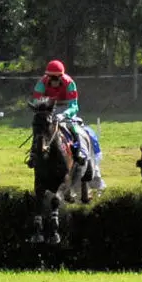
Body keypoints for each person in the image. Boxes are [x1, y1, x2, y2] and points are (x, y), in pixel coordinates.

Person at [31, 59, 104, 190]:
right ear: (47, 76)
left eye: (56, 77)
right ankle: (33, 155)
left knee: (75, 128)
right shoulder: (41, 84)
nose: (53, 80)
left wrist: (64, 115)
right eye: (51, 77)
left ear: (61, 76)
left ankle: (81, 153)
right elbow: (37, 102)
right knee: (40, 129)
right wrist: (45, 113)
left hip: (66, 110)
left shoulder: (69, 83)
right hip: (48, 110)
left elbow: (74, 106)